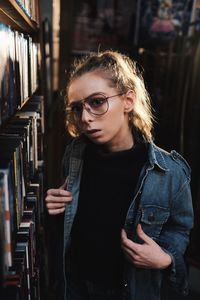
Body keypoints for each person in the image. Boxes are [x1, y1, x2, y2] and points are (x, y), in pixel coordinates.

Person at [45, 50, 193, 300]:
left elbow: (180, 230)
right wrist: (53, 208)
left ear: (128, 101)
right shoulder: (74, 155)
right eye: (77, 108)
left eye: (97, 101)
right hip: (77, 287)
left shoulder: (169, 172)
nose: (85, 117)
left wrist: (166, 258)